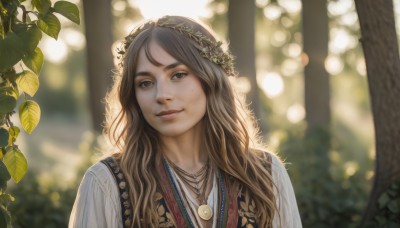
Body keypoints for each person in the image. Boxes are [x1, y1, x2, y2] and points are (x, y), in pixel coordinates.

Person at [69, 15, 302, 228]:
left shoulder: (265, 174)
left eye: (178, 75)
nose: (162, 95)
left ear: (209, 79)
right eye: (145, 83)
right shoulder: (106, 183)